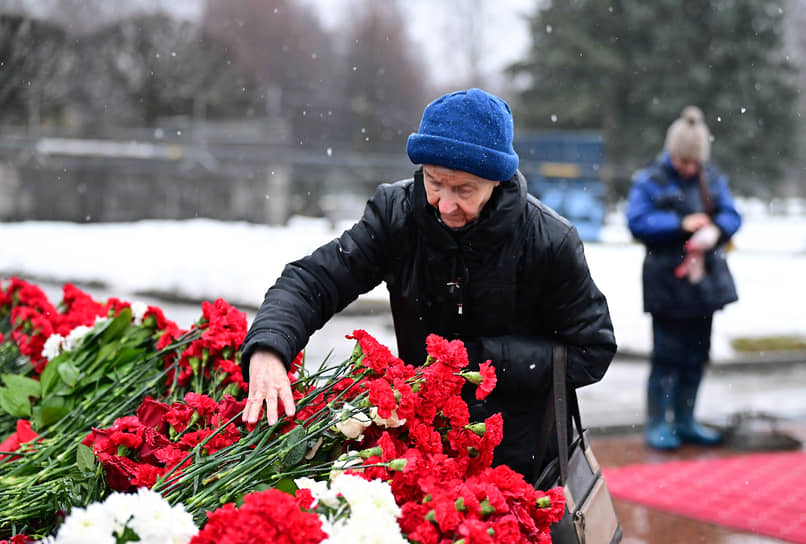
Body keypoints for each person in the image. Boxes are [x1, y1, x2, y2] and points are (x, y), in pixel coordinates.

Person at [240, 88, 617, 478]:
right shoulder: (396, 215)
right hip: (418, 445)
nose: (445, 203)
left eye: (464, 189)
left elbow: (594, 349)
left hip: (519, 461)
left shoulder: (549, 240)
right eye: (435, 182)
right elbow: (314, 279)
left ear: (497, 181)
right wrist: (269, 346)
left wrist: (481, 360)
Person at [627, 106, 741, 451]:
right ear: (672, 153)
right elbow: (637, 221)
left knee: (697, 355)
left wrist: (716, 230)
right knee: (667, 356)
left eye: (693, 162)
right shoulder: (650, 180)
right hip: (666, 283)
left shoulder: (712, 178)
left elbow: (733, 214)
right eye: (682, 160)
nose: (688, 168)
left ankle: (687, 419)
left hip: (703, 284)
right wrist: (679, 224)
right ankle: (659, 422)